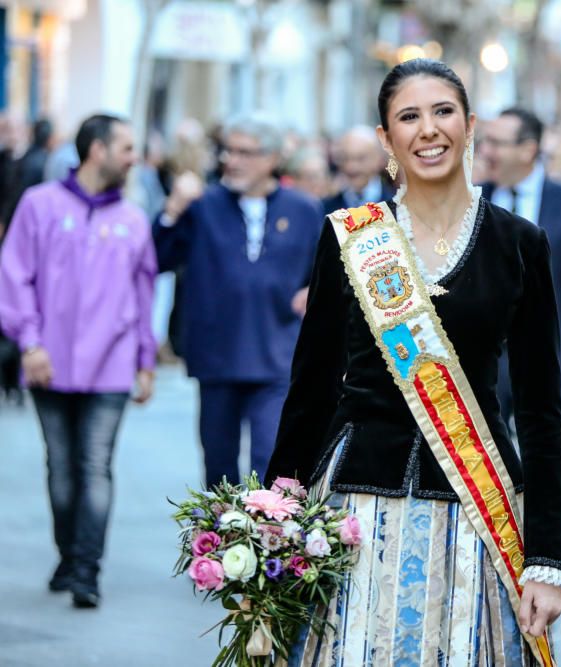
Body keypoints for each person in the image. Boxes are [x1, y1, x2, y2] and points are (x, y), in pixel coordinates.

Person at [265, 59, 561, 665]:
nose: (428, 130)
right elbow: (311, 388)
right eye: (409, 117)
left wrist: (547, 560)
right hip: (353, 507)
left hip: (475, 509)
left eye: (443, 112)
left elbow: (539, 410)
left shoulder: (518, 243)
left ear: (470, 124)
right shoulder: (351, 234)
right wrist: (276, 511)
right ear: (386, 139)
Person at [0, 113, 157, 608]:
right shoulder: (39, 205)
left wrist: (145, 360)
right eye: (127, 148)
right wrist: (30, 343)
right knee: (61, 469)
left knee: (94, 467)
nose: (134, 159)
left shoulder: (132, 219)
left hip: (110, 367)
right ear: (98, 151)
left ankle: (87, 569)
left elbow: (144, 291)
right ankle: (67, 555)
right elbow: (13, 276)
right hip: (47, 363)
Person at [153, 112, 321, 489]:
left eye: (246, 152)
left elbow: (328, 272)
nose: (234, 160)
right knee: (219, 470)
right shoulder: (203, 206)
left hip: (277, 354)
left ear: (273, 158)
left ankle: (270, 547)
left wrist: (315, 290)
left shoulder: (304, 210)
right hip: (216, 355)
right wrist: (173, 209)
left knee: (271, 464)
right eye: (229, 151)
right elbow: (157, 259)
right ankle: (217, 547)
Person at [479, 107, 561, 416]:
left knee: (544, 461)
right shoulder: (473, 201)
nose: (485, 152)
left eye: (496, 143)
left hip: (551, 360)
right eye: (485, 142)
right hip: (484, 364)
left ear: (528, 149)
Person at [321, 125, 394, 214]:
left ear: (379, 160)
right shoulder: (326, 209)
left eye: (360, 158)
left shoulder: (400, 207)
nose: (351, 167)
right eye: (345, 158)